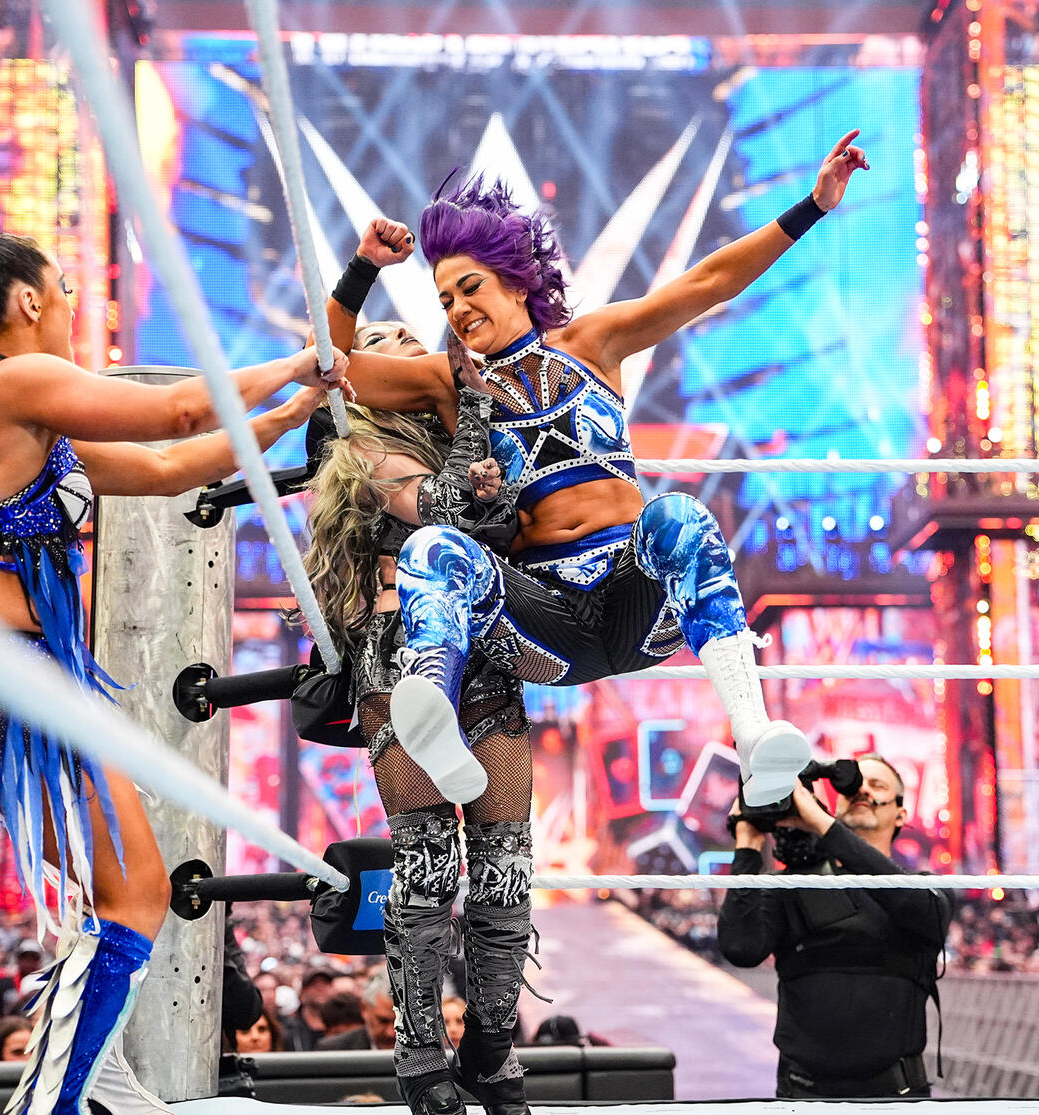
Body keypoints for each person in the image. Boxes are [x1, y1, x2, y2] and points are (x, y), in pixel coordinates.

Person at [0, 215, 350, 1115]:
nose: (73, 306)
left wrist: (287, 417)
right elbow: (174, 414)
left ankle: (76, 1089)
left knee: (123, 894)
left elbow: (165, 467)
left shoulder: (31, 422)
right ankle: (56, 1112)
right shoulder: (8, 380)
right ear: (29, 300)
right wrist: (293, 365)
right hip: (9, 686)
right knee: (136, 893)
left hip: (21, 688)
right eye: (66, 290)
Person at [336, 133, 868, 818]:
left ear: (516, 282)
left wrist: (814, 205)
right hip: (545, 631)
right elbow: (331, 366)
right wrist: (363, 267)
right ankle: (435, 723)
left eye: (470, 287)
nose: (458, 310)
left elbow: (707, 283)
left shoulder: (594, 342)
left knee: (678, 516)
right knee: (432, 549)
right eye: (445, 302)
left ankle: (754, 736)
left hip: (639, 609)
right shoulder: (448, 381)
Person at [303, 312, 536, 1115]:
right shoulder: (356, 447)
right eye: (387, 340)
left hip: (485, 653)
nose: (410, 345)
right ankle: (419, 1053)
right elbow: (443, 510)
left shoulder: (463, 435)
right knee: (429, 862)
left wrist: (485, 436)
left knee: (507, 861)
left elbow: (511, 528)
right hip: (401, 654)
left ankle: (493, 1044)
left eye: (412, 336)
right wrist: (471, 404)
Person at [717, 753, 953, 1098]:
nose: (862, 791)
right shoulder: (793, 885)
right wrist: (748, 843)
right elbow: (741, 947)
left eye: (877, 785)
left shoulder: (923, 889)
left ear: (901, 813)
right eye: (852, 786)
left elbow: (920, 909)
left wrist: (822, 825)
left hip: (897, 1094)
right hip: (802, 1093)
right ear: (837, 806)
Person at [316, 969, 397, 1051]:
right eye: (383, 1021)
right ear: (364, 1009)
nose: (391, 1033)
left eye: (401, 1023)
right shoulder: (334, 1050)